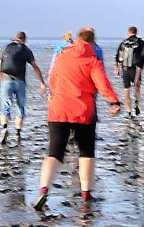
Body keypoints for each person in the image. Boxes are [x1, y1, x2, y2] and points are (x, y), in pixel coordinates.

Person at [32, 26, 122, 210]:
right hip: (82, 112)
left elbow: (52, 79)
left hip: (58, 110)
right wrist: (114, 102)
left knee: (54, 152)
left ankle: (43, 190)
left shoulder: (61, 57)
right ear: (92, 42)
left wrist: (54, 94)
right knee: (86, 152)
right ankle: (86, 193)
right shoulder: (92, 61)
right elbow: (102, 84)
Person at [0, 31, 47, 145]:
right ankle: (18, 134)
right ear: (24, 39)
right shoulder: (25, 50)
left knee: (5, 106)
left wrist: (3, 80)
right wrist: (42, 83)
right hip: (20, 82)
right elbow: (35, 66)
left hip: (6, 81)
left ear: (15, 38)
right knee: (20, 107)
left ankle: (4, 128)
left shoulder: (6, 48)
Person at [114, 26, 144, 117]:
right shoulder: (141, 42)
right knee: (137, 87)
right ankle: (136, 102)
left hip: (125, 69)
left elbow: (118, 57)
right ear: (136, 32)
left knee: (126, 91)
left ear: (128, 33)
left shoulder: (123, 43)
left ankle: (129, 112)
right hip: (136, 69)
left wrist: (116, 68)